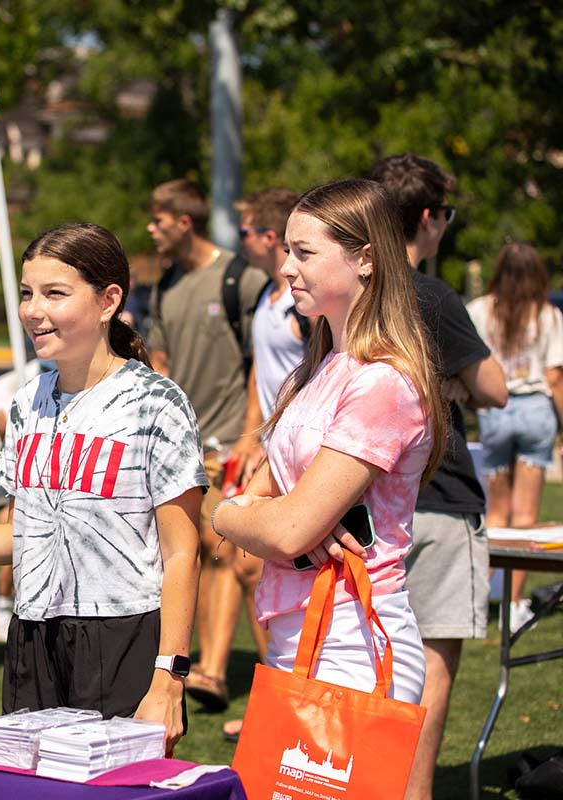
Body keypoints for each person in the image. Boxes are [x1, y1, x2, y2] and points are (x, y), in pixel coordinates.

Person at [0, 222, 205, 757]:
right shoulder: (26, 401)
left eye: (55, 294)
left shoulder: (156, 402)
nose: (34, 310)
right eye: (28, 293)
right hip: (32, 636)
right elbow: (27, 537)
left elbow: (182, 552)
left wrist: (169, 676)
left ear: (108, 301)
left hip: (124, 637)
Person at [213, 178, 447, 707]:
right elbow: (267, 499)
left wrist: (230, 517)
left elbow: (288, 528)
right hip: (299, 632)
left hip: (353, 638)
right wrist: (259, 515)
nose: (286, 267)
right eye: (287, 250)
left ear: (364, 258)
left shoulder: (382, 381)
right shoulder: (318, 370)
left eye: (304, 252)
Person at [370, 153, 507, 800]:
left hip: (363, 499)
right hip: (438, 495)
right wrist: (450, 379)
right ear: (427, 218)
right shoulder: (431, 295)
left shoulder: (355, 291)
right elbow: (497, 389)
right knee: (429, 663)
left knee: (367, 661)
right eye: (445, 215)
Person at [145, 179, 269, 711]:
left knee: (231, 554)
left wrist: (249, 433)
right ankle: (206, 668)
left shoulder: (242, 279)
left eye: (157, 220)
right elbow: (162, 363)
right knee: (190, 549)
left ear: (184, 222)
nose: (151, 230)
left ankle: (221, 674)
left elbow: (264, 357)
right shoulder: (165, 284)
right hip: (181, 447)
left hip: (229, 443)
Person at [220, 186, 304, 742]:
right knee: (253, 569)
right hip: (267, 448)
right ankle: (274, 695)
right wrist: (252, 434)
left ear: (270, 237)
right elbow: (259, 372)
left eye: (247, 229)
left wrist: (276, 436)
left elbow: (311, 377)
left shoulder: (301, 305)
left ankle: (282, 697)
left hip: (296, 457)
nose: (241, 239)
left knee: (262, 567)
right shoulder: (267, 298)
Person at [467, 242, 563, 629]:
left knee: (495, 514)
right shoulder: (548, 316)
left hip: (496, 411)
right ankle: (514, 603)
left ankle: (479, 597)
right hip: (537, 409)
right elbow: (555, 378)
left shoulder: (480, 310)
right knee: (525, 516)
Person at [0, 355, 52, 644]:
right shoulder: (36, 374)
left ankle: (2, 599)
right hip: (1, 442)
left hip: (17, 440)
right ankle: (1, 602)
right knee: (16, 522)